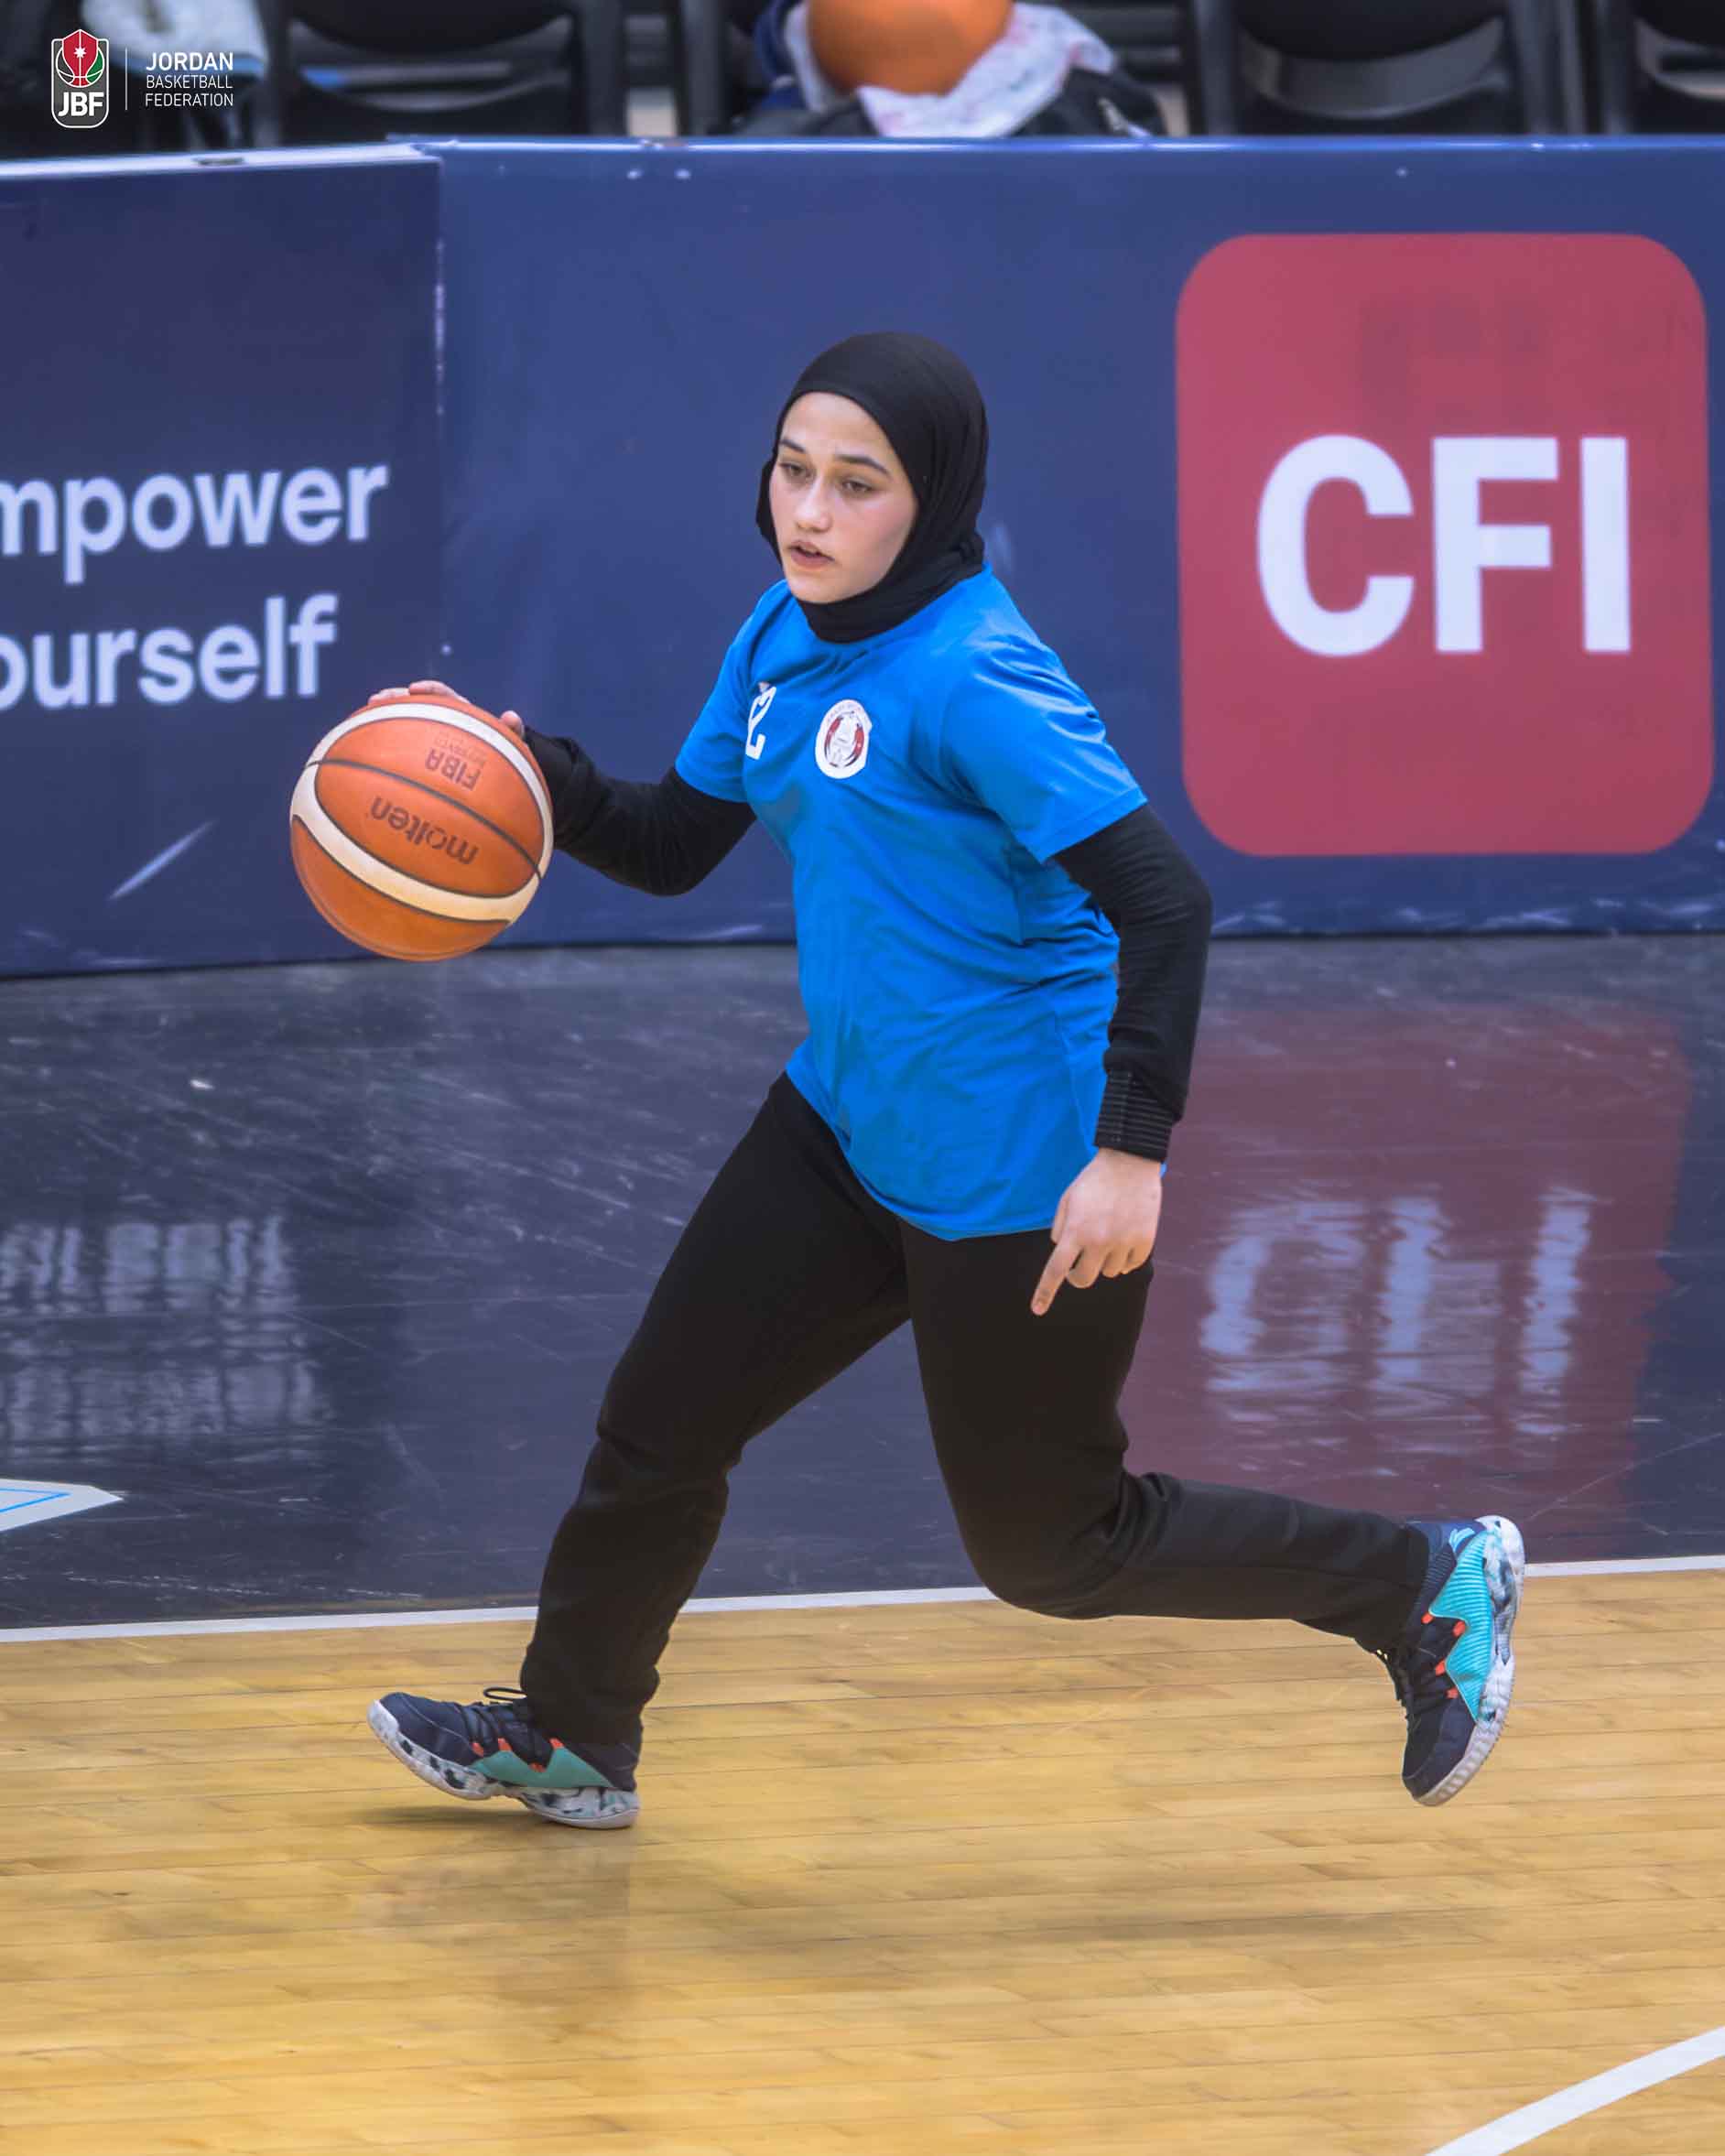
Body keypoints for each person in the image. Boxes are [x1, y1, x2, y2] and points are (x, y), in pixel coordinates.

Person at [365, 331, 1523, 1831]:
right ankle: (575, 1735)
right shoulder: (783, 631)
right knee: (660, 1423)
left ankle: (1419, 1583)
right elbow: (671, 843)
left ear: (934, 502)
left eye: (858, 484)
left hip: (1020, 1170)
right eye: (794, 470)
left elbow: (1166, 903)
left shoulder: (977, 679)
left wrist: (1132, 1151)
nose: (810, 510)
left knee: (1054, 1548)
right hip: (849, 1124)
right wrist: (521, 772)